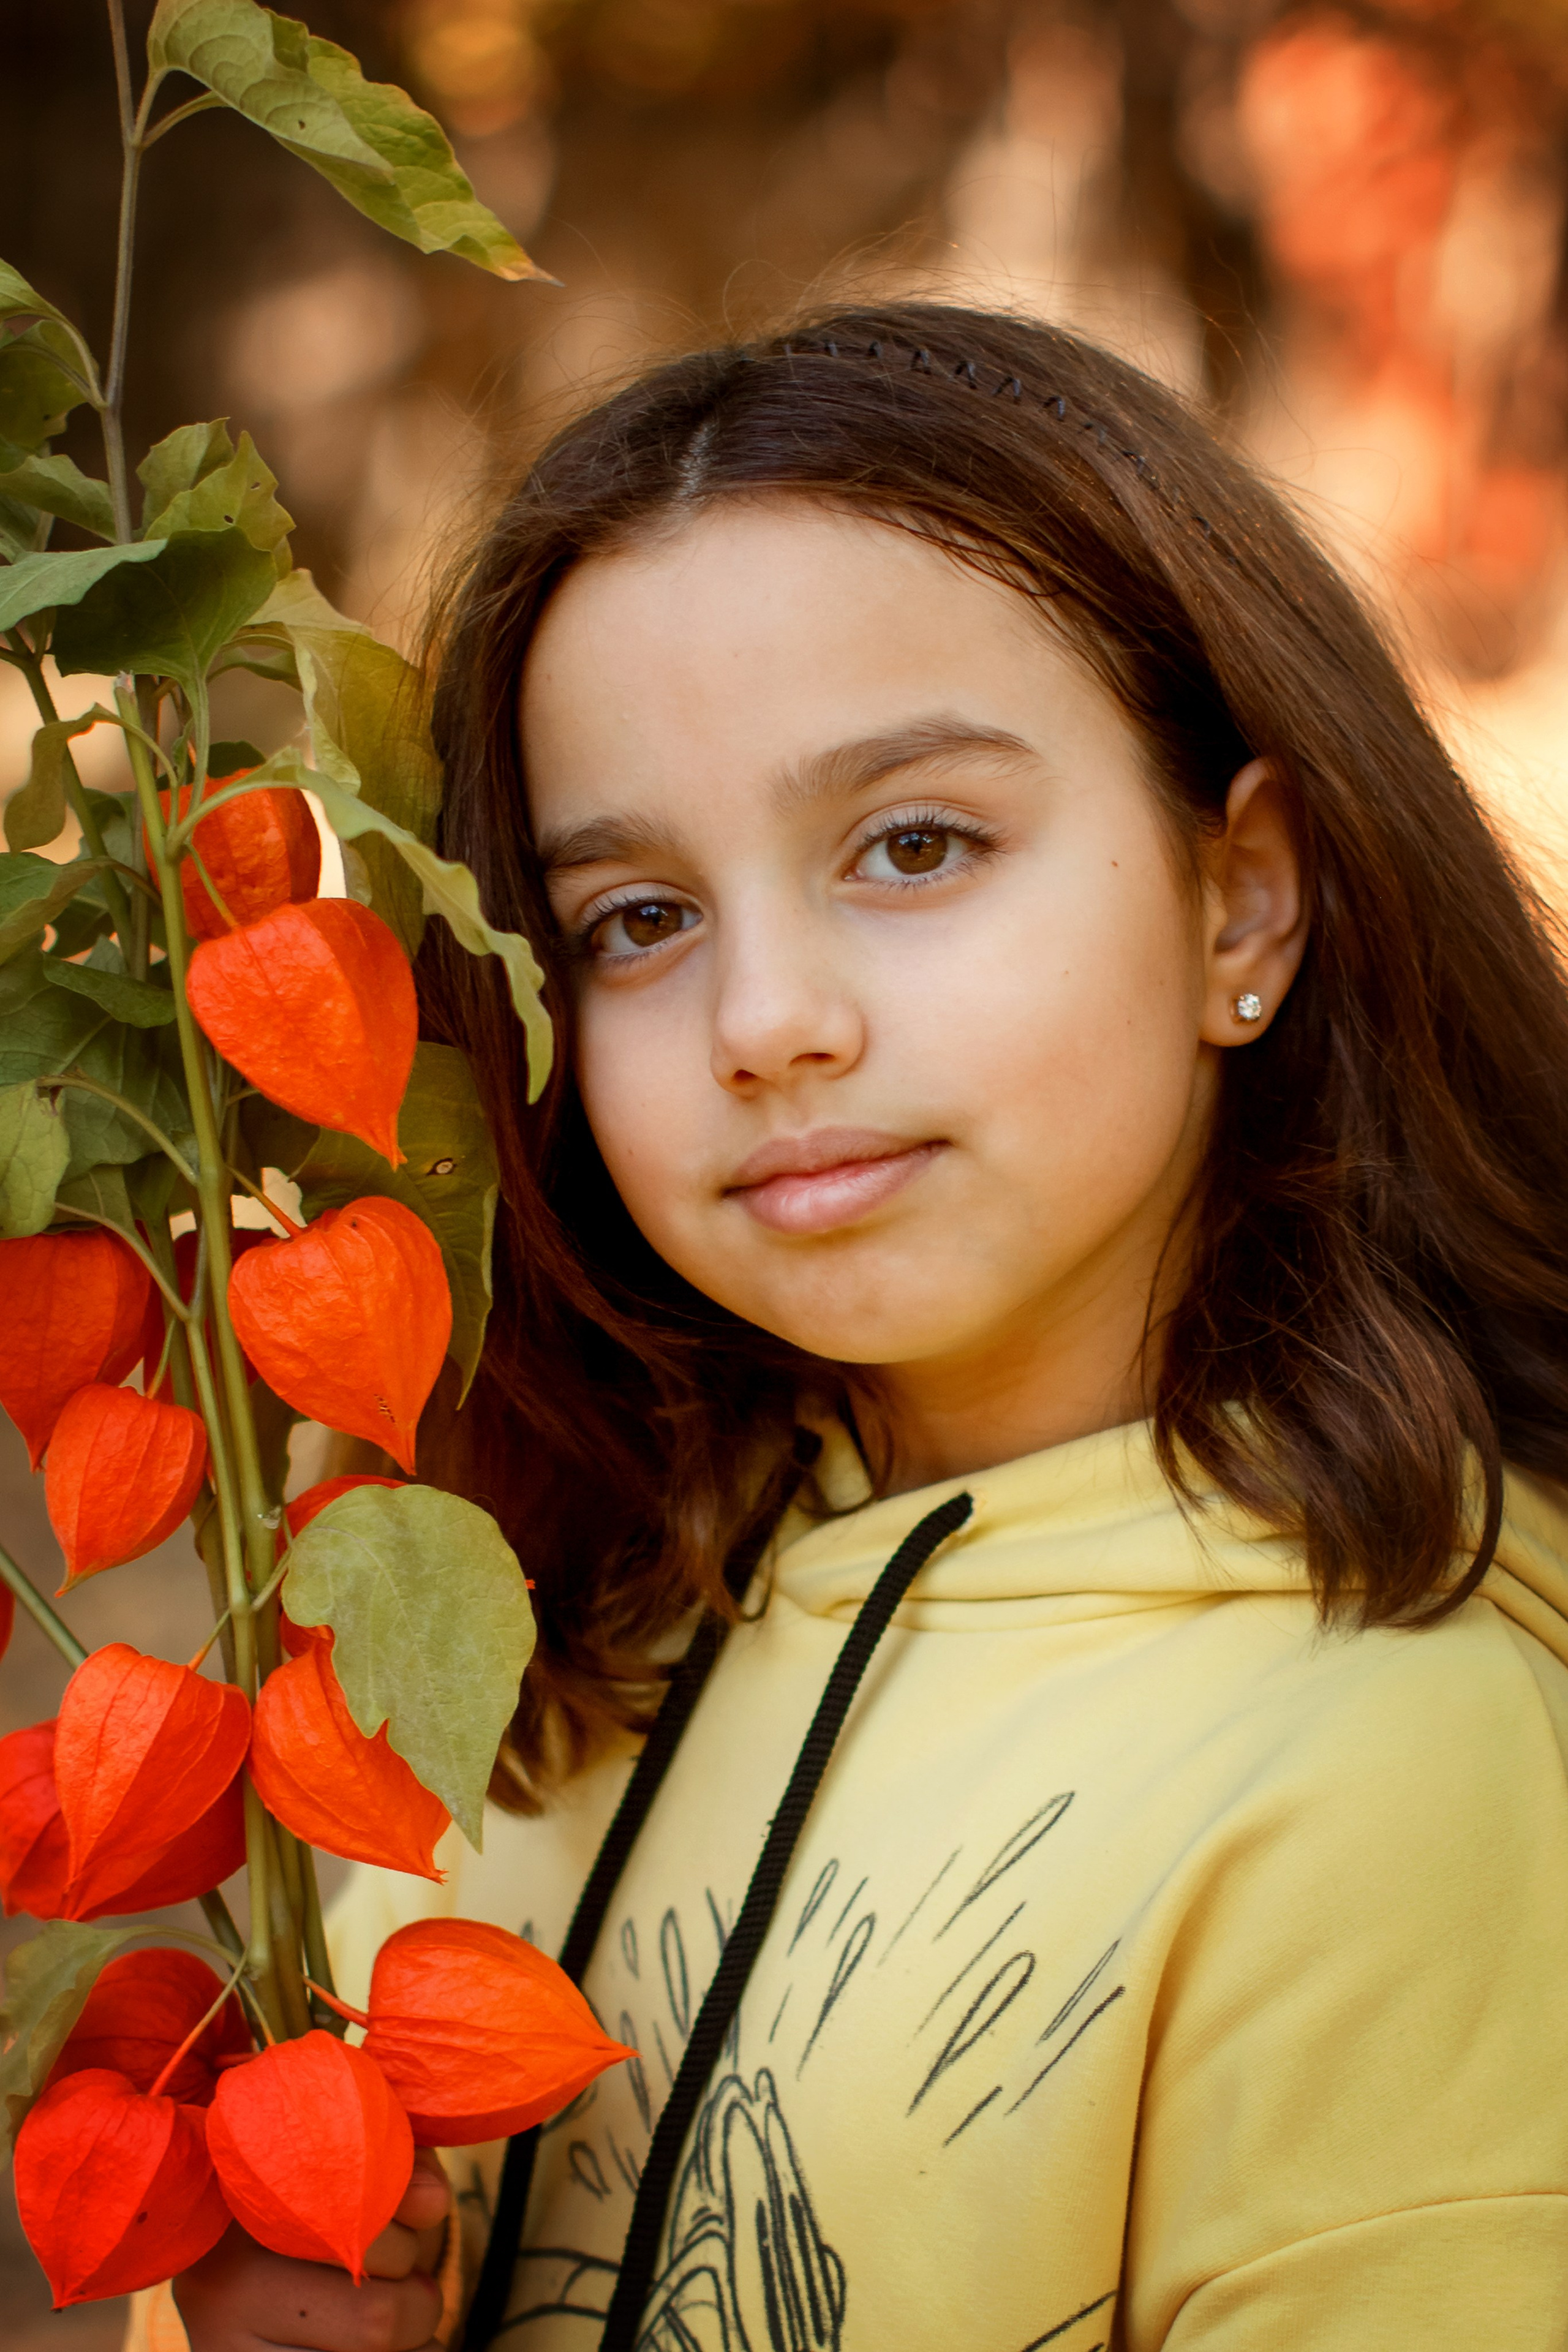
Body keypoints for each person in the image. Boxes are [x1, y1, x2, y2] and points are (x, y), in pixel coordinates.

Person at [162, 302, 1568, 2352]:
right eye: (637, 918)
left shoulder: (1406, 1768)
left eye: (916, 846)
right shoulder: (534, 1650)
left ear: (1242, 900)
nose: (767, 1024)